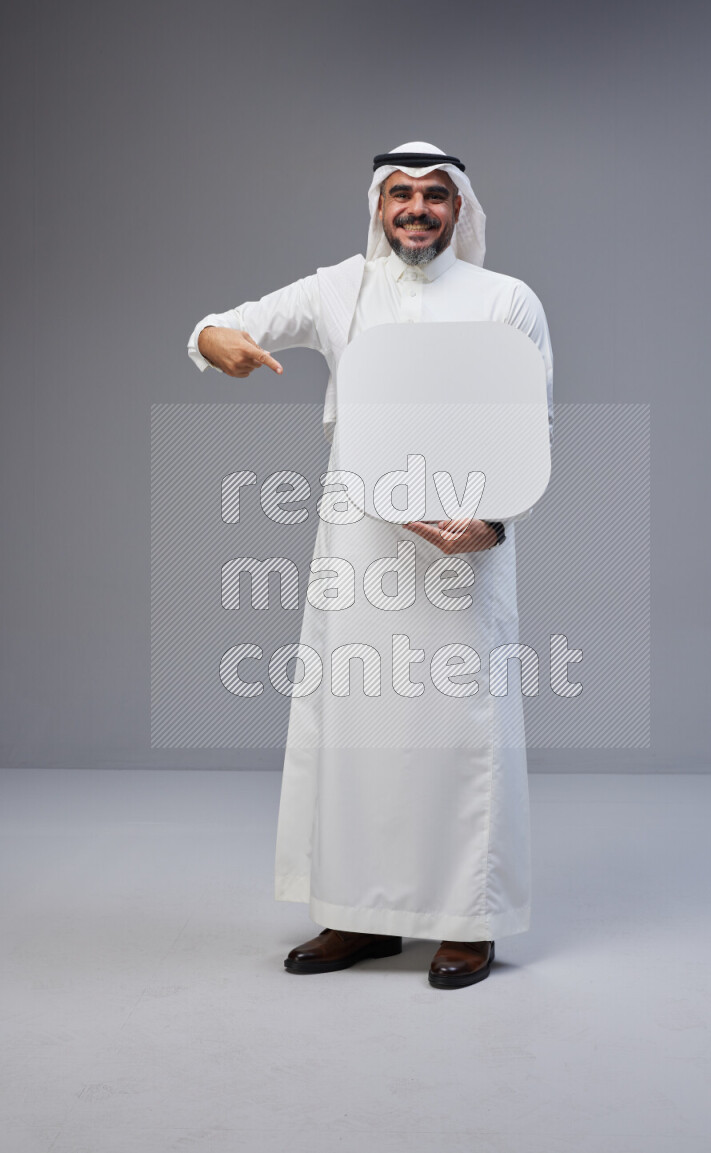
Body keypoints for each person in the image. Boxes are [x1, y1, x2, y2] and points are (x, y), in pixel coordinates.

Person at [188, 142, 553, 989]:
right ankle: (357, 916)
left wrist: (490, 527)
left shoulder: (508, 301)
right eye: (401, 194)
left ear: (459, 208)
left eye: (434, 195)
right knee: (355, 732)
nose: (417, 209)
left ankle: (469, 920)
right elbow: (222, 324)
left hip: (463, 547)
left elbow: (533, 432)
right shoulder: (338, 288)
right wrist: (218, 343)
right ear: (379, 204)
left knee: (460, 734)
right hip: (357, 547)